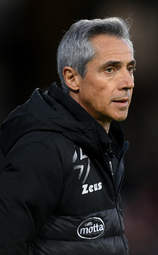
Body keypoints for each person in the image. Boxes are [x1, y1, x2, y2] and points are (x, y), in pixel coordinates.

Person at [0, 17, 136, 255]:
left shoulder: (104, 142)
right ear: (72, 78)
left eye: (130, 68)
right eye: (110, 69)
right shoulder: (43, 148)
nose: (127, 82)